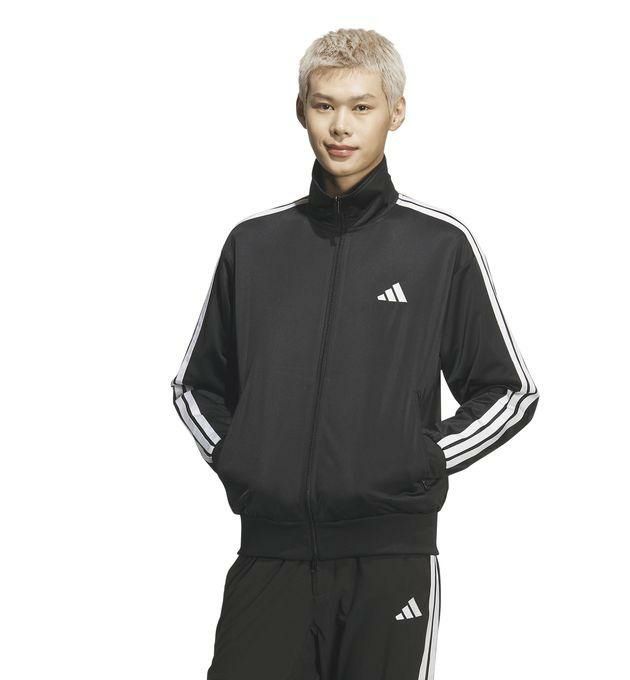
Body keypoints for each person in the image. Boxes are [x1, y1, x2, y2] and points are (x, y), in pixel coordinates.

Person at [171, 27, 539, 680]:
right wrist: (240, 458)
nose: (341, 126)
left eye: (361, 106)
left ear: (396, 112)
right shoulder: (253, 246)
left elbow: (509, 391)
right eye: (325, 105)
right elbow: (194, 386)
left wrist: (418, 460)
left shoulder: (437, 247)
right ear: (301, 110)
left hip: (389, 560)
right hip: (269, 557)